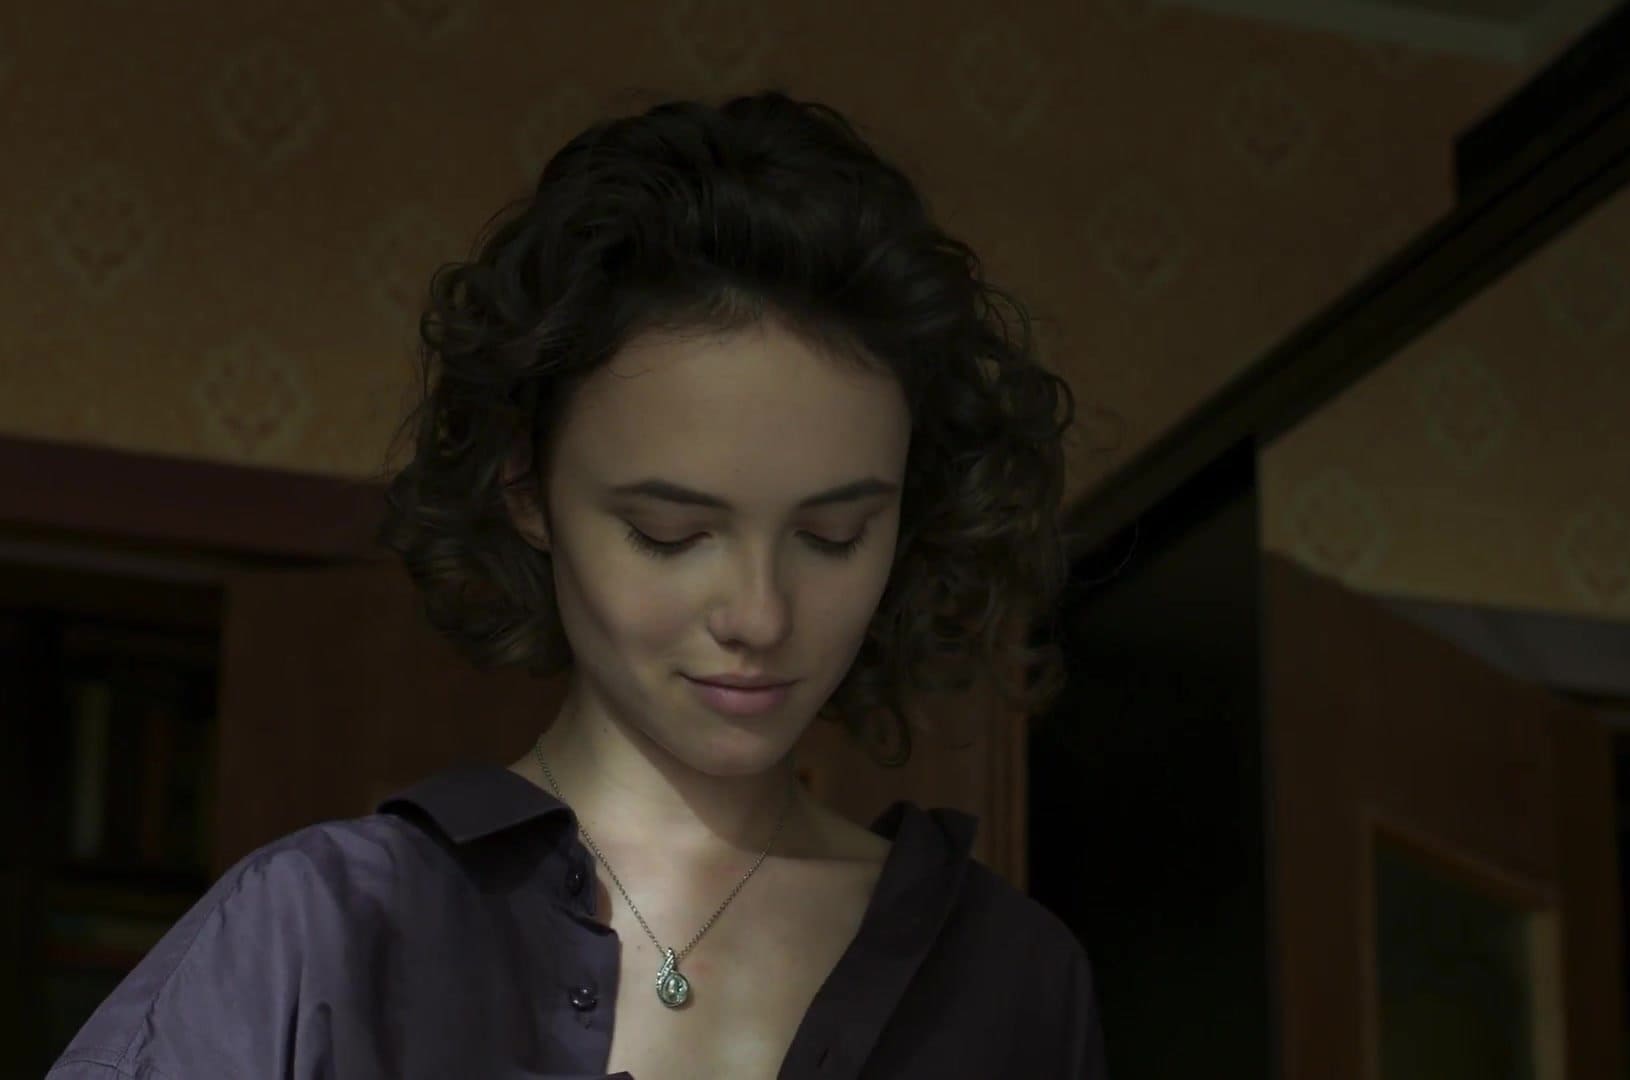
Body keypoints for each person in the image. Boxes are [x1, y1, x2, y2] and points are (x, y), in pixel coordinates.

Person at [48, 89, 1107, 1079]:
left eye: (833, 536)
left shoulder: (1010, 980)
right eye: (668, 533)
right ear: (526, 488)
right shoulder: (321, 927)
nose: (759, 615)